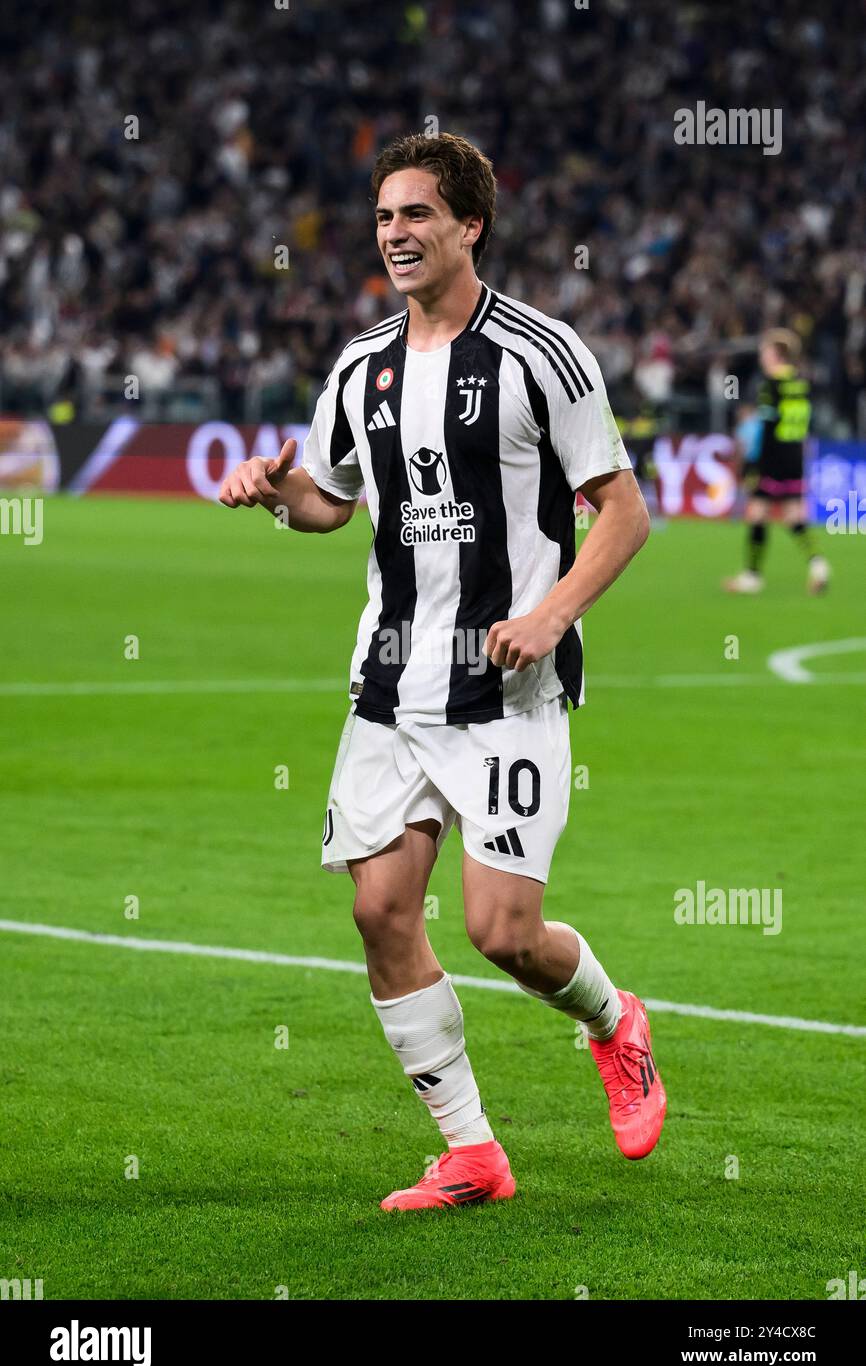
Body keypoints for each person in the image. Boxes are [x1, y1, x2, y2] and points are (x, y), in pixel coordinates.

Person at [220, 133, 665, 1211]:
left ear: (469, 225)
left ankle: (616, 1023)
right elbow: (332, 501)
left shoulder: (538, 353)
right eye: (382, 217)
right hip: (390, 681)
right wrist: (276, 493)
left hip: (505, 691)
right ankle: (470, 1149)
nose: (394, 234)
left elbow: (624, 509)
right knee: (380, 910)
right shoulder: (360, 363)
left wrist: (549, 611)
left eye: (415, 214)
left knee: (501, 930)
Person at [724, 329, 830, 595]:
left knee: (757, 513)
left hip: (772, 459)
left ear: (777, 354)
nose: (762, 356)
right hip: (794, 456)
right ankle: (818, 564)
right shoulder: (801, 383)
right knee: (794, 515)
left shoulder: (770, 385)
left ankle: (752, 576)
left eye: (766, 351)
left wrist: (753, 464)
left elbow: (766, 429)